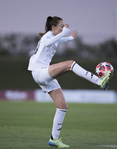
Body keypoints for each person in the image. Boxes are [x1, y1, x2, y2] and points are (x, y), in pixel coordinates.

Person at [28, 16, 111, 148]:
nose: (63, 28)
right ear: (53, 27)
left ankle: (54, 139)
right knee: (70, 64)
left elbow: (58, 40)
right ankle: (99, 81)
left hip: (42, 73)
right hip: (39, 72)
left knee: (62, 106)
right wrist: (66, 32)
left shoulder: (52, 36)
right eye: (61, 26)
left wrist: (69, 38)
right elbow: (50, 42)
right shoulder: (47, 37)